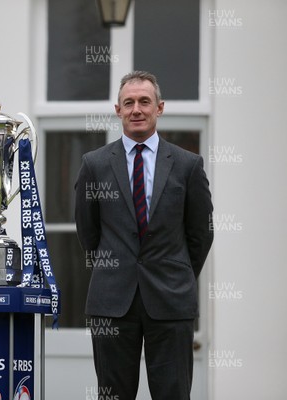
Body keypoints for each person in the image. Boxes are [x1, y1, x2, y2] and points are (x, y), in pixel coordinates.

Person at [74, 71, 213, 399]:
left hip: (171, 300)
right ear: (117, 109)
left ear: (159, 108)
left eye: (144, 102)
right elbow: (87, 231)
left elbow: (200, 234)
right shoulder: (94, 165)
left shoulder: (187, 165)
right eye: (129, 102)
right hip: (111, 302)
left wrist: (177, 273)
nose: (136, 109)